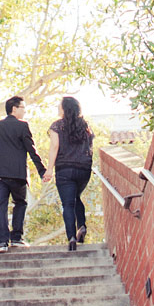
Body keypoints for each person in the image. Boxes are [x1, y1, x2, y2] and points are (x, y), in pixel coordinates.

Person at [0, 94, 47, 253]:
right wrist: (42, 170)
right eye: (23, 108)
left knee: (0, 207)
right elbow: (32, 150)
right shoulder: (22, 126)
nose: (24, 111)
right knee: (20, 203)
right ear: (14, 109)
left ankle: (2, 242)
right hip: (17, 174)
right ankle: (16, 238)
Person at [44, 95, 94, 251]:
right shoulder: (85, 126)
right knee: (76, 197)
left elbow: (55, 146)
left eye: (59, 105)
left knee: (68, 203)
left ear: (65, 109)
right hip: (83, 169)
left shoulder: (57, 126)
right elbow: (90, 146)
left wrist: (49, 169)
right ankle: (82, 225)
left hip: (65, 169)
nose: (58, 108)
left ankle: (71, 237)